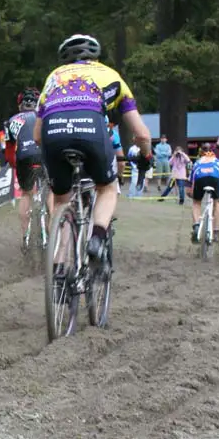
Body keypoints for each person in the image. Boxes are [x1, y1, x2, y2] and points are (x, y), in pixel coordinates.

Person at [35, 33, 152, 271]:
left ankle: (58, 267)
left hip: (53, 132)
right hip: (92, 128)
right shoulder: (111, 75)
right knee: (107, 188)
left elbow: (37, 136)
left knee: (61, 200)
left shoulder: (54, 77)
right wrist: (146, 156)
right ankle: (97, 238)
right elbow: (141, 135)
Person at [6, 86, 48, 245]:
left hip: (24, 157)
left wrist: (14, 164)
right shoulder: (44, 116)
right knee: (52, 192)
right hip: (44, 155)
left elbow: (9, 151)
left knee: (26, 193)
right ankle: (51, 231)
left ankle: (25, 237)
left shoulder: (12, 121)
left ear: (20, 105)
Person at [189, 147, 219, 243]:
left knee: (196, 203)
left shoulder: (197, 163)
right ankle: (216, 232)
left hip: (200, 178)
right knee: (218, 203)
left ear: (201, 154)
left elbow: (189, 184)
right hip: (214, 178)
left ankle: (196, 226)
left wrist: (191, 194)